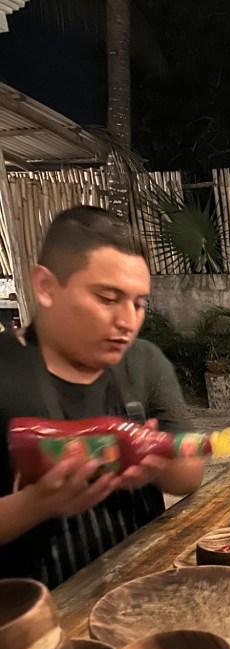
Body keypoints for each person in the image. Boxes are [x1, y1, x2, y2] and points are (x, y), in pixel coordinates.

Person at [0, 205, 204, 588]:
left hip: (143, 585)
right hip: (39, 609)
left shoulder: (144, 362)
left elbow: (188, 476)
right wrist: (37, 503)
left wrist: (158, 460)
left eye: (138, 304)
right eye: (107, 298)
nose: (127, 322)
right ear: (46, 287)